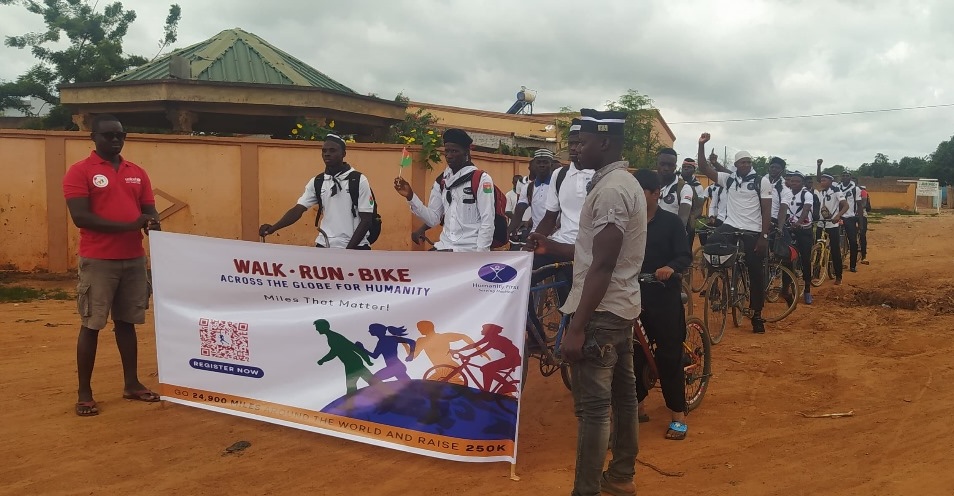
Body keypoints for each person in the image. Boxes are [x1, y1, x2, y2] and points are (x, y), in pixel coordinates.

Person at [560, 108, 645, 496]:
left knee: (593, 411)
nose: (578, 146)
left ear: (605, 143)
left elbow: (604, 261)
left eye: (585, 140)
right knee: (624, 397)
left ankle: (587, 490)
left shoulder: (611, 189)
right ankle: (622, 476)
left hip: (600, 312)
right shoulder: (621, 183)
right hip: (620, 307)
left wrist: (577, 326)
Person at [62, 114, 161, 417]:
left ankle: (131, 384)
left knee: (127, 323)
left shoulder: (137, 172)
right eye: (108, 136)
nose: (116, 140)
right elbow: (81, 217)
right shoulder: (79, 172)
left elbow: (149, 210)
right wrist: (131, 225)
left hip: (133, 259)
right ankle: (84, 393)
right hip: (98, 260)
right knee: (92, 324)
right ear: (94, 138)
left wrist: (152, 225)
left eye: (120, 135)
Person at [632, 169, 692, 441]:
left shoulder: (671, 223)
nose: (635, 197)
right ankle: (638, 405)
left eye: (641, 191)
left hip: (664, 296)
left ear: (656, 193)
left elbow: (684, 255)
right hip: (633, 297)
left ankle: (678, 414)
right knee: (633, 354)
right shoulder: (628, 223)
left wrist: (670, 267)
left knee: (669, 355)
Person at [697, 133, 772, 334]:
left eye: (748, 162)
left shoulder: (761, 181)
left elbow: (767, 209)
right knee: (711, 244)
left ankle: (757, 314)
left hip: (753, 229)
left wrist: (764, 236)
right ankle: (716, 286)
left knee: (756, 271)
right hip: (730, 225)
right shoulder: (728, 179)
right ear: (736, 165)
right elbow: (704, 168)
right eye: (742, 162)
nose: (746, 164)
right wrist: (701, 145)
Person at [259, 134, 374, 249]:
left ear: (343, 154)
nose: (327, 154)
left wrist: (346, 253)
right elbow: (298, 210)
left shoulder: (358, 180)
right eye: (324, 151)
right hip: (324, 245)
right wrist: (273, 228)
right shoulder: (317, 181)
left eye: (332, 150)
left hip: (355, 247)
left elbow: (366, 220)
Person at [393, 129, 496, 252]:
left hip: (469, 251)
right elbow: (433, 218)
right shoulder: (441, 181)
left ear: (466, 152)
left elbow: (487, 221)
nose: (449, 156)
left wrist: (480, 257)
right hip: (444, 248)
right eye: (447, 151)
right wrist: (410, 197)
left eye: (454, 151)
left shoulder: (481, 180)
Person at [524, 119, 592, 301]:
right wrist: (531, 242)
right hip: (559, 244)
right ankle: (533, 329)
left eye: (579, 143)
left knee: (571, 301)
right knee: (519, 279)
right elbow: (549, 218)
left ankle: (571, 326)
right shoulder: (560, 174)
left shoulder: (600, 176)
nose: (574, 148)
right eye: (571, 143)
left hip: (586, 250)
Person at [314, 319, 381, 395]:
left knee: (352, 386)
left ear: (323, 327)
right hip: (352, 362)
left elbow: (335, 352)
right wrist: (367, 360)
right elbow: (352, 347)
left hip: (352, 363)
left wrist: (322, 360)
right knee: (365, 381)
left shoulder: (333, 337)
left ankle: (351, 403)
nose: (316, 329)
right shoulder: (332, 336)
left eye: (318, 327)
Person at [777, 171, 815, 304]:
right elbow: (783, 209)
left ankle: (807, 290)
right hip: (790, 230)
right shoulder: (786, 193)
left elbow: (806, 209)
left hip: (804, 230)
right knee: (786, 258)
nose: (793, 183)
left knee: (805, 259)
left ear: (803, 183)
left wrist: (799, 222)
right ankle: (785, 288)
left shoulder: (807, 194)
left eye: (797, 181)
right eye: (792, 181)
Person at [452, 323, 521, 394]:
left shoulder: (495, 339)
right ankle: (488, 391)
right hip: (511, 357)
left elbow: (482, 350)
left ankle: (503, 387)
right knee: (486, 369)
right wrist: (458, 350)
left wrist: (468, 356)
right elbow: (474, 345)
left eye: (484, 329)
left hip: (513, 358)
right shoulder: (489, 338)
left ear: (489, 331)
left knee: (486, 369)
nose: (482, 330)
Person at [510, 149, 556, 236]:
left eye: (545, 162)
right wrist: (509, 231)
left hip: (556, 236)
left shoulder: (558, 186)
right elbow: (519, 212)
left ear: (551, 164)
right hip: (536, 234)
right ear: (534, 164)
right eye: (538, 162)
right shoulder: (528, 188)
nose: (541, 165)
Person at [815, 173, 849, 285]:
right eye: (821, 180)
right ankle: (816, 273)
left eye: (824, 180)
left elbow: (845, 205)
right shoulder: (820, 193)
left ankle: (838, 276)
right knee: (818, 249)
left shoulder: (837, 192)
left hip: (832, 225)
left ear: (830, 181)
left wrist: (838, 216)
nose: (822, 182)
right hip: (821, 224)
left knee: (835, 250)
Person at [655, 148, 693, 226]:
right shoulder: (648, 183)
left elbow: (683, 220)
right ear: (657, 164)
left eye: (670, 165)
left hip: (670, 235)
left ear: (675, 166)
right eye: (662, 164)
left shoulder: (684, 188)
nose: (666, 168)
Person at [834, 171, 862, 272]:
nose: (845, 177)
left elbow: (859, 205)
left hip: (850, 217)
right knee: (835, 241)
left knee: (853, 242)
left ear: (850, 178)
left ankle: (852, 265)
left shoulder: (856, 189)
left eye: (847, 176)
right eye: (843, 176)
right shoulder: (837, 188)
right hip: (838, 216)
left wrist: (860, 220)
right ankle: (835, 264)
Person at [680, 158, 706, 248]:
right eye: (684, 167)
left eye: (689, 167)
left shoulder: (698, 186)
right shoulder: (675, 181)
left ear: (694, 169)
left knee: (686, 246)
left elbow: (699, 206)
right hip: (674, 215)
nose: (686, 168)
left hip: (689, 220)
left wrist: (692, 218)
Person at [767, 157, 786, 224]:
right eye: (772, 167)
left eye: (777, 168)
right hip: (759, 218)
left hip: (775, 220)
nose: (774, 169)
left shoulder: (784, 186)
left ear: (782, 171)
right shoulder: (761, 181)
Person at [859, 185, 870, 265]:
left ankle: (863, 255)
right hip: (849, 216)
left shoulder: (863, 192)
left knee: (862, 234)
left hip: (862, 215)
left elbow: (863, 204)